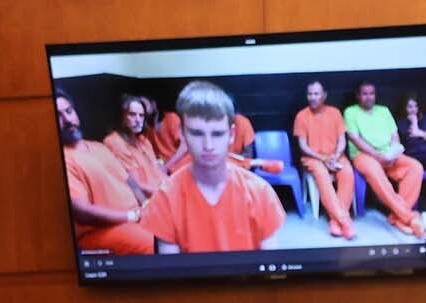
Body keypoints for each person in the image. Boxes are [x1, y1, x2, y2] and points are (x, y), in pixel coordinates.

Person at [139, 81, 287, 254]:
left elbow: (270, 266)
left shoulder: (260, 193)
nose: (208, 145)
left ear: (231, 134)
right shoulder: (166, 197)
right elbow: (172, 269)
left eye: (217, 134)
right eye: (197, 133)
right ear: (182, 133)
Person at [57, 88, 153, 255]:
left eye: (69, 111)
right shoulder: (64, 158)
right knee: (157, 243)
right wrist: (133, 216)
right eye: (58, 116)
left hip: (135, 217)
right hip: (101, 230)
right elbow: (82, 211)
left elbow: (129, 181)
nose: (67, 120)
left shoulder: (99, 147)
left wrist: (146, 206)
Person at [344, 81, 426, 238]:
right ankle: (409, 217)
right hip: (364, 156)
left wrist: (393, 152)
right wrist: (378, 156)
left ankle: (397, 217)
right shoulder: (350, 112)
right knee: (376, 172)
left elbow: (394, 135)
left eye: (371, 93)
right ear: (358, 96)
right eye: (365, 94)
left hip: (387, 154)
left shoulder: (383, 111)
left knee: (415, 167)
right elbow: (355, 139)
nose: (369, 97)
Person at [293, 80, 357, 239]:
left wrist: (336, 155)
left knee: (347, 172)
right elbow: (303, 146)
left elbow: (342, 140)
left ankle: (335, 222)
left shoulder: (335, 113)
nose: (312, 97)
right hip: (313, 158)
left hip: (335, 156)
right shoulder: (301, 116)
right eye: (310, 94)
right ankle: (344, 221)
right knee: (322, 175)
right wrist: (323, 158)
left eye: (316, 94)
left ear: (324, 95)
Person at [102, 94, 166, 195]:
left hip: (160, 191)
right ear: (121, 116)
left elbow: (158, 171)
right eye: (132, 114)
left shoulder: (144, 141)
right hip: (145, 197)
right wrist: (164, 193)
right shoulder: (114, 141)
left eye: (141, 115)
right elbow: (135, 185)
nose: (138, 120)